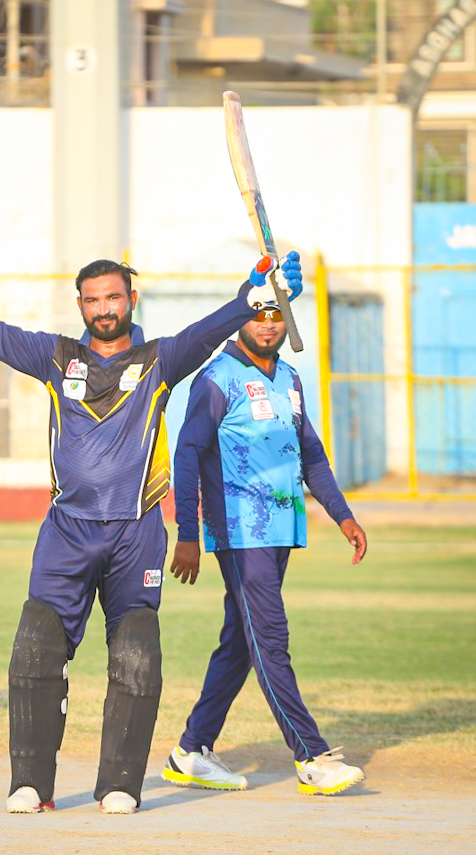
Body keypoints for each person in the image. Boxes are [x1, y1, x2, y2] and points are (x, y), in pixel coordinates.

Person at [0, 249, 304, 814]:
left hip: (137, 532)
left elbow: (206, 332)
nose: (104, 309)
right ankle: (30, 785)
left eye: (113, 297)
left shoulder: (161, 360)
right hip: (68, 531)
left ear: (132, 300)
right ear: (80, 305)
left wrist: (250, 299)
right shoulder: (56, 357)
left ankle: (119, 786)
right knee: (36, 645)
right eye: (92, 300)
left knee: (136, 651)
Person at [162, 279, 368, 797]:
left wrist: (343, 516)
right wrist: (187, 532)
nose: (269, 324)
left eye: (277, 315)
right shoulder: (217, 378)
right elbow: (187, 454)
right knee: (271, 640)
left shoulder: (291, 379)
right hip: (239, 532)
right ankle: (312, 757)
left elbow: (310, 453)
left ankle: (191, 750)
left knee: (240, 641)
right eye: (259, 314)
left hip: (282, 529)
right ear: (241, 317)